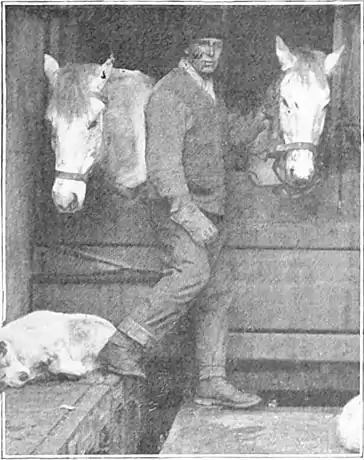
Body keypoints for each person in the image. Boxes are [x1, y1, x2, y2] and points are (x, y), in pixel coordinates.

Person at [99, 10, 266, 409]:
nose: (210, 53)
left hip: (213, 209)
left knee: (218, 290)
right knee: (192, 273)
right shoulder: (170, 94)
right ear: (185, 48)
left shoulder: (209, 93)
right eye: (203, 46)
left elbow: (227, 146)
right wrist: (188, 213)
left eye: (217, 46)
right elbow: (163, 165)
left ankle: (211, 381)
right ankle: (123, 343)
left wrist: (262, 118)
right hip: (181, 210)